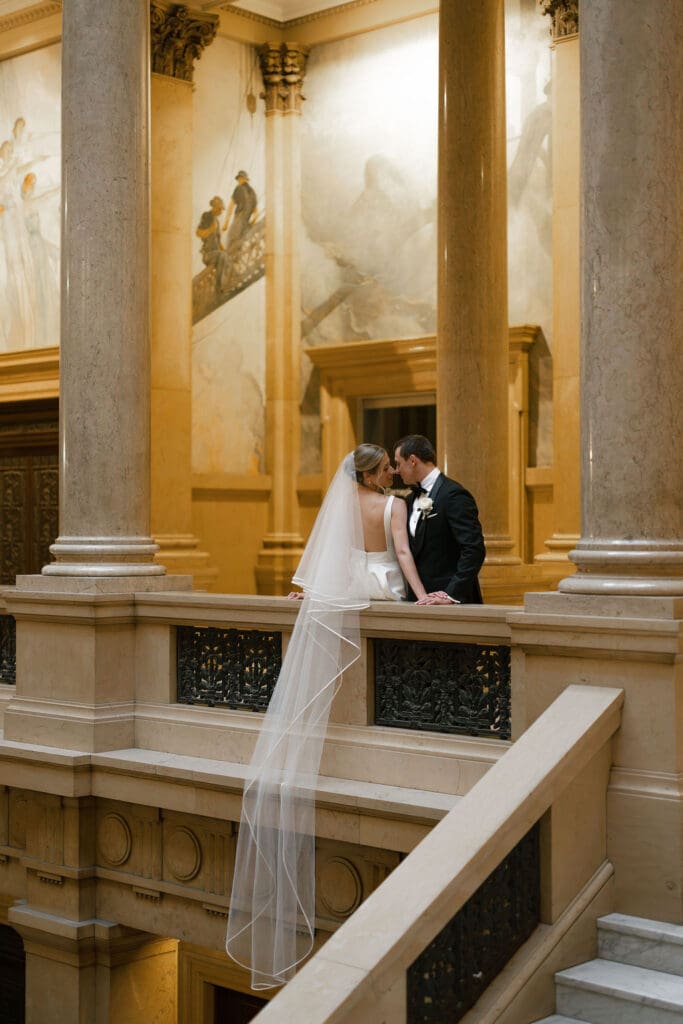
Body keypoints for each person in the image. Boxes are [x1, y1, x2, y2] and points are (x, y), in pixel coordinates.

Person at [226, 446, 428, 990]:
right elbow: (404, 556)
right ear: (371, 473)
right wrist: (422, 596)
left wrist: (310, 591)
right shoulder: (392, 508)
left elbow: (330, 558)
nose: (392, 469)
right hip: (381, 589)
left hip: (343, 591)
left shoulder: (341, 508)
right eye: (385, 464)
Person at [394, 434, 486, 605]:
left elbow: (474, 550)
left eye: (398, 463)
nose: (397, 470)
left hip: (452, 603)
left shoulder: (454, 495)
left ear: (413, 460)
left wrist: (450, 595)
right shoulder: (408, 500)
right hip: (417, 600)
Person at [196, 195, 227, 296]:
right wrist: (210, 230)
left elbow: (218, 241)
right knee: (222, 256)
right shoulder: (207, 216)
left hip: (216, 254)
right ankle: (218, 288)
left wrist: (225, 251)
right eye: (219, 209)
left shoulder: (217, 221)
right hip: (208, 254)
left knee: (226, 257)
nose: (221, 212)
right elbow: (198, 233)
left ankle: (223, 285)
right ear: (214, 206)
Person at [223, 170, 258, 254]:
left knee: (230, 240)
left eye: (239, 179)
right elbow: (255, 210)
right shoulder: (252, 192)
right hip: (246, 222)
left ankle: (227, 261)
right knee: (239, 245)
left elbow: (231, 206)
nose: (238, 181)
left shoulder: (238, 188)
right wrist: (254, 220)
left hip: (239, 220)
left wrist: (226, 223)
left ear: (243, 179)